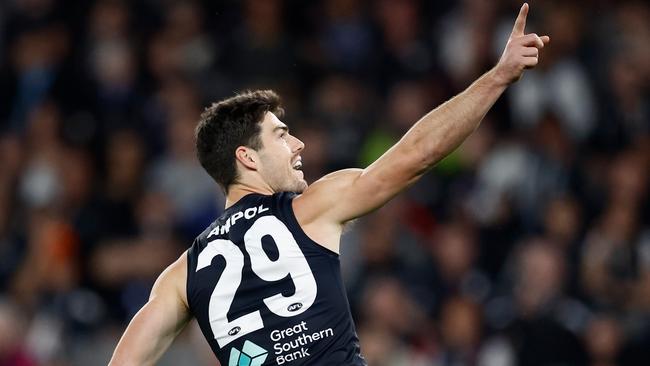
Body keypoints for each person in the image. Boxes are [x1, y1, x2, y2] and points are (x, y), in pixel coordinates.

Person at [109, 3, 549, 365]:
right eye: (281, 135)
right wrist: (496, 78)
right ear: (247, 157)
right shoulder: (310, 209)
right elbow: (419, 154)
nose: (298, 144)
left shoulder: (182, 274)